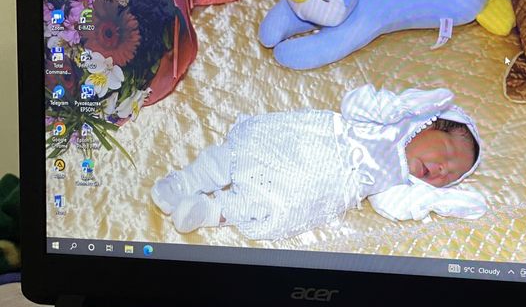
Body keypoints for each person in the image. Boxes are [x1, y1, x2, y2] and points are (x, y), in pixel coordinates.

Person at [151, 84, 483, 240]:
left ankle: (209, 211)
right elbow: (354, 103)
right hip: (308, 140)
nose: (443, 168)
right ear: (428, 124)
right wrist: (400, 105)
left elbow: (392, 206)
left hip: (316, 189)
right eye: (447, 153)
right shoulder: (389, 121)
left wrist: (440, 202)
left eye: (451, 176)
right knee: (240, 154)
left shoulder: (398, 182)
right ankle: (184, 183)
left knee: (268, 206)